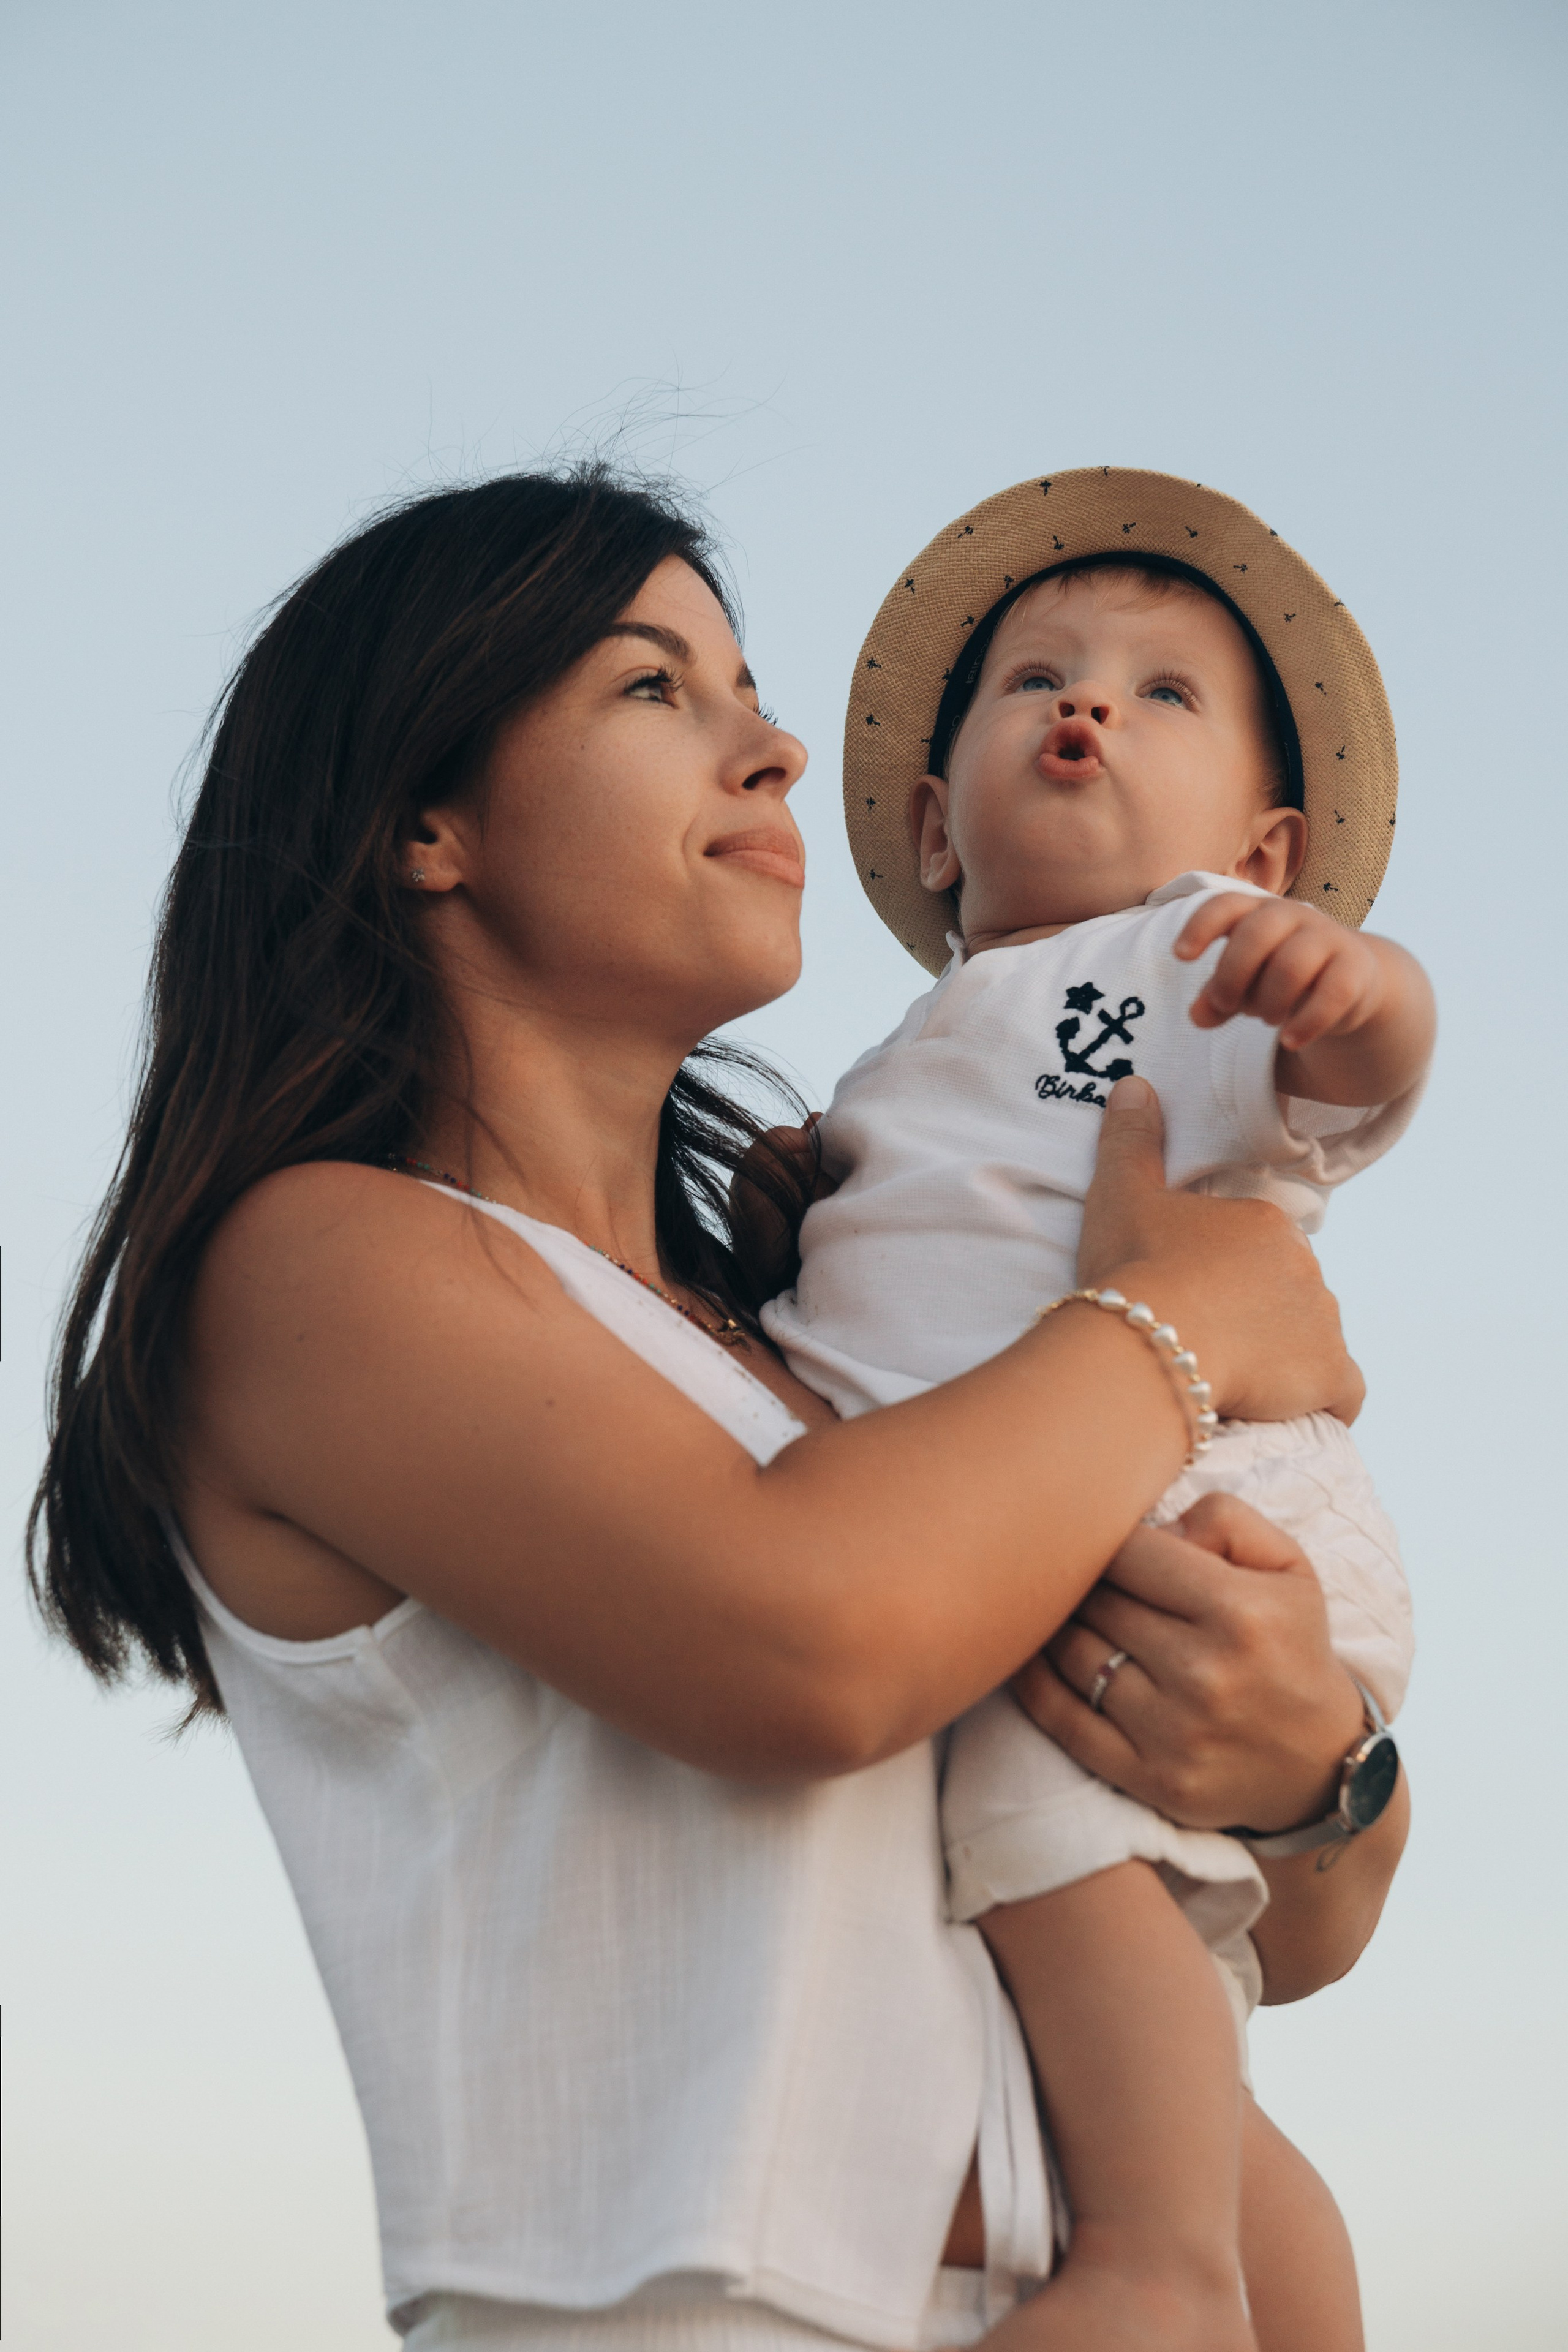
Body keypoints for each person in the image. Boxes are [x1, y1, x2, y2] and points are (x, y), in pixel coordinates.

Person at [29, 464, 1405, 2352]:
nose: (765, 752)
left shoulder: (800, 1355)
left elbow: (1298, 1931)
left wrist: (1325, 1767)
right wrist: (1187, 1317)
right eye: (654, 686)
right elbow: (812, 1647)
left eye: (747, 689)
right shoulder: (315, 1267)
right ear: (427, 819)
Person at [761, 468, 1431, 2350]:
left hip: (1193, 1514)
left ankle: (1152, 2262)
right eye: (1040, 680)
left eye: (1161, 694)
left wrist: (1353, 998)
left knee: (1050, 1847)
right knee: (1146, 2007)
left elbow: (1363, 1072)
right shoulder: (911, 1052)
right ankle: (1272, 2286)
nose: (1088, 707)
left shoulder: (1202, 963)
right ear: (929, 825)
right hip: (1046, 1519)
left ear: (1270, 855)